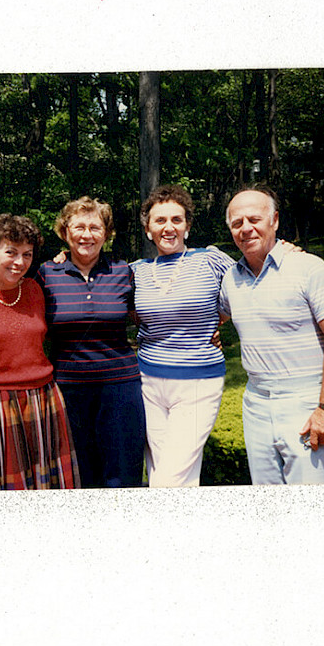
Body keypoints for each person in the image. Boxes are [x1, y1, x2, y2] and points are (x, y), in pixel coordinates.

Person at [218, 186, 324, 485]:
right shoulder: (231, 279)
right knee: (269, 508)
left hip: (305, 402)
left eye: (254, 219)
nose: (246, 228)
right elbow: (217, 318)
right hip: (255, 403)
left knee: (313, 508)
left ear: (274, 221)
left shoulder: (308, 267)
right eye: (237, 223)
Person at [0, 214, 80, 490]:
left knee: (50, 487)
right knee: (6, 489)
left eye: (27, 254)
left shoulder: (36, 288)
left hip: (44, 398)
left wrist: (64, 255)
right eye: (10, 252)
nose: (19, 262)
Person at [35, 196, 145, 488]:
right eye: (79, 227)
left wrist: (209, 330)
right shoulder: (47, 273)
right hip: (68, 390)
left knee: (124, 473)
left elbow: (145, 317)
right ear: (65, 232)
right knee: (77, 473)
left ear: (106, 234)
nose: (86, 235)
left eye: (95, 227)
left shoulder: (123, 271)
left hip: (120, 387)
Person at [131, 184, 236, 487]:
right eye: (159, 220)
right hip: (148, 383)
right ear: (148, 229)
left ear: (187, 226)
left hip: (197, 383)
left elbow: (252, 282)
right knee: (166, 469)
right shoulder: (135, 271)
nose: (168, 227)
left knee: (169, 478)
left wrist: (219, 320)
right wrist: (63, 257)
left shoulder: (210, 260)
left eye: (177, 220)